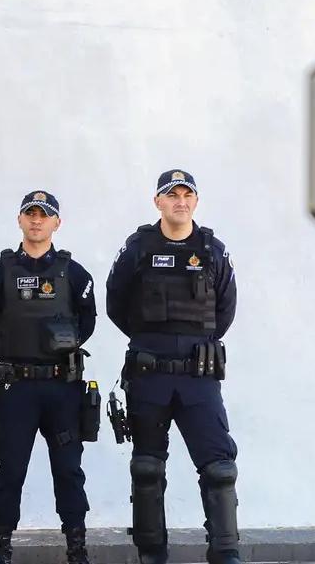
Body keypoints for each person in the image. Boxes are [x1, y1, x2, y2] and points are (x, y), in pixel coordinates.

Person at [106, 169, 240, 564]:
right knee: (147, 468)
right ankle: (151, 555)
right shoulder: (138, 248)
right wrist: (151, 341)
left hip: (199, 378)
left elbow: (226, 308)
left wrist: (193, 344)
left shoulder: (213, 250)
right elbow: (116, 304)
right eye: (171, 194)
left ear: (195, 201)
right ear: (158, 202)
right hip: (150, 375)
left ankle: (226, 552)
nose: (180, 201)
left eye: (187, 195)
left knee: (219, 468)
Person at [0, 191, 99, 564]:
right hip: (17, 387)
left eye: (44, 215)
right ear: (20, 220)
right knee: (11, 468)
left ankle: (76, 547)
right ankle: (2, 547)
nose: (36, 221)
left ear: (56, 223)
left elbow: (87, 322)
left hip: (62, 387)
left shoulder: (75, 274)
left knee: (68, 469)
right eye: (30, 214)